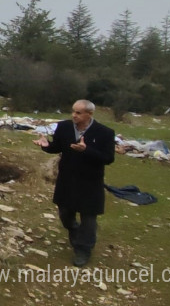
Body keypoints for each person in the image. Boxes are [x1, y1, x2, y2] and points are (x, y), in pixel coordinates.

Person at [33, 99, 115, 267]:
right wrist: (46, 145)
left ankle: (83, 250)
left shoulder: (104, 133)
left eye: (78, 113)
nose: (74, 115)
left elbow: (108, 158)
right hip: (67, 180)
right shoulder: (64, 127)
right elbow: (56, 147)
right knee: (65, 214)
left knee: (89, 219)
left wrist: (87, 150)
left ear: (89, 114)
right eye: (73, 111)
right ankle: (75, 231)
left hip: (90, 182)